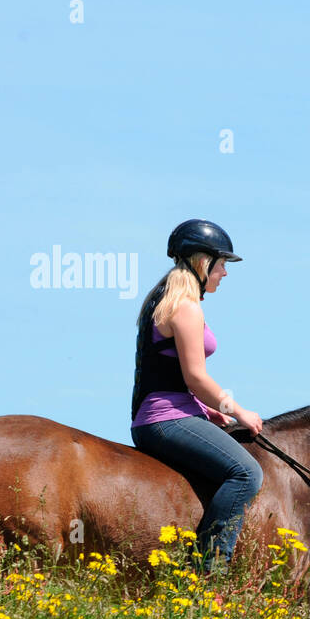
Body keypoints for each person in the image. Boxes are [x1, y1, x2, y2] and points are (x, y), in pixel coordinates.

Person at [130, 219, 264, 575]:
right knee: (246, 473)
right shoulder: (186, 308)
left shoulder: (164, 300)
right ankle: (210, 573)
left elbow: (169, 374)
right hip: (164, 418)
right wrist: (239, 412)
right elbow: (196, 376)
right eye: (221, 264)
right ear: (202, 262)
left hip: (168, 412)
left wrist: (205, 410)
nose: (224, 272)